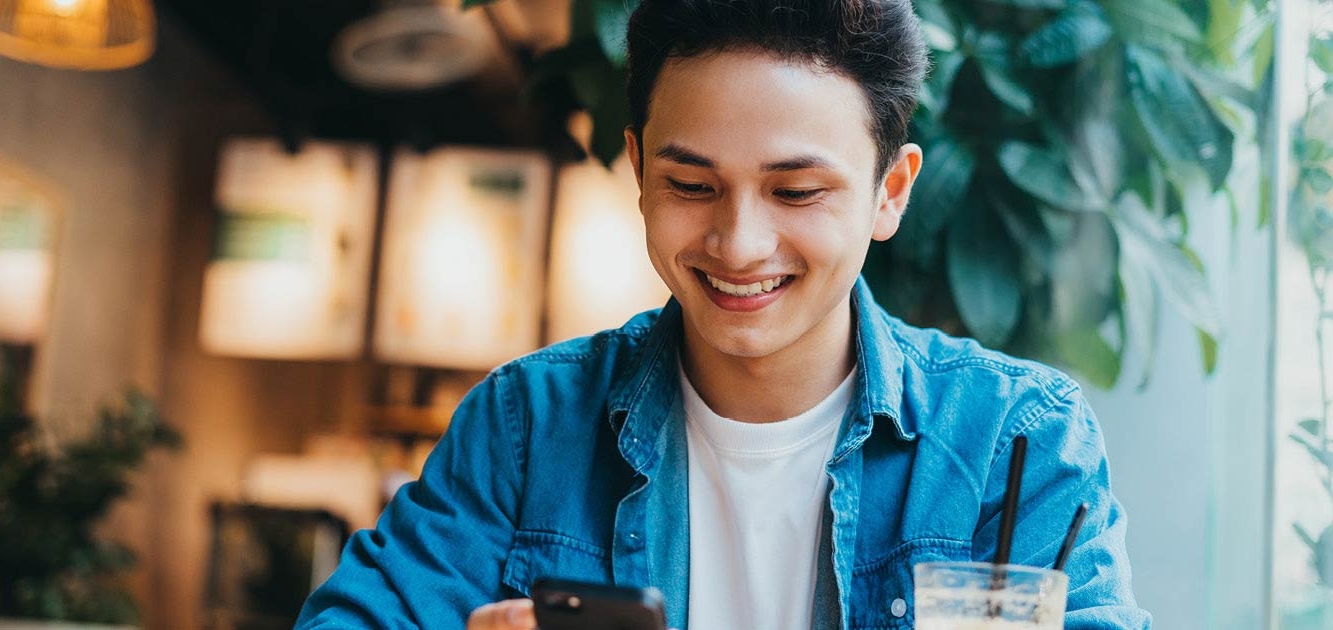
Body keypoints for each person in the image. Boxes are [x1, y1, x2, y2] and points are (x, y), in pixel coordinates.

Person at [295, 1, 1151, 628]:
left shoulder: (1018, 440)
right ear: (637, 173)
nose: (739, 244)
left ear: (890, 192)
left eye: (796, 190)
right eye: (692, 186)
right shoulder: (528, 427)